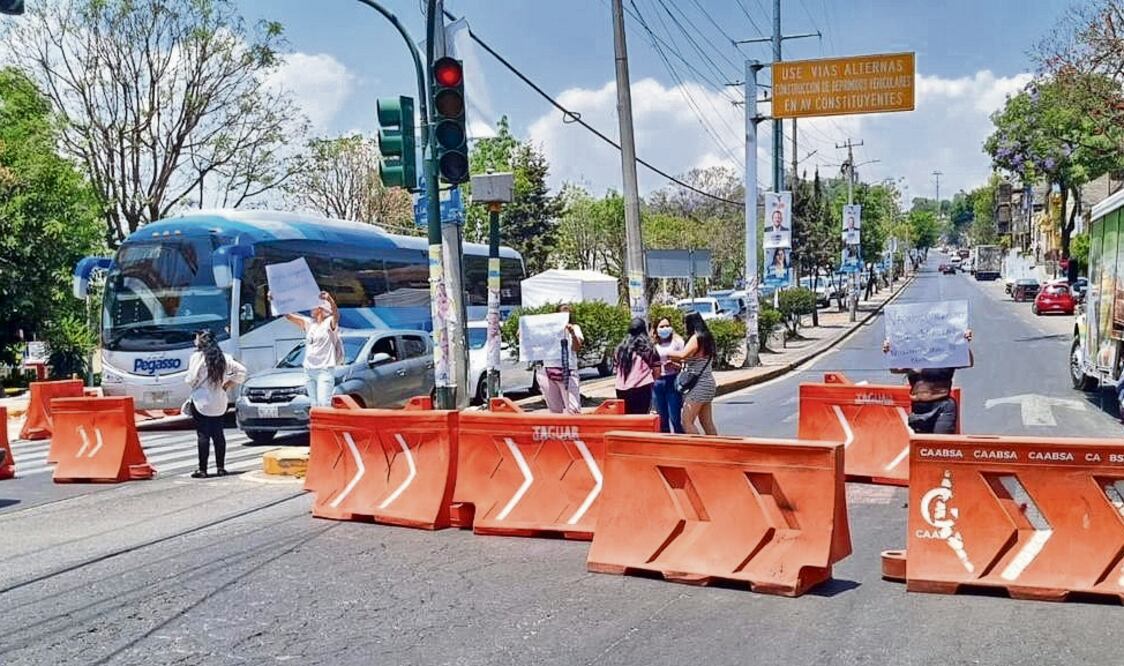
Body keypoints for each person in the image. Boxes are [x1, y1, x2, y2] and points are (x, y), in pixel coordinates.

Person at [883, 329, 973, 434]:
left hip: (941, 408)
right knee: (922, 448)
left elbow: (968, 361)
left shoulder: (946, 353)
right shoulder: (913, 354)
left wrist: (964, 343)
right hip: (918, 410)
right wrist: (890, 351)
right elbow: (895, 369)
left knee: (938, 445)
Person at [185, 330, 246, 478]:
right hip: (219, 399)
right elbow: (242, 371)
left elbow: (191, 378)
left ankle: (203, 469)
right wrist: (227, 384)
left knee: (203, 435)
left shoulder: (197, 357)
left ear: (201, 341)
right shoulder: (224, 358)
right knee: (218, 434)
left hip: (201, 400)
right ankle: (221, 467)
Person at [279, 291, 342, 407]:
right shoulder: (309, 323)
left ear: (321, 309)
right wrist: (275, 299)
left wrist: (330, 299)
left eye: (313, 306)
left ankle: (325, 425)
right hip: (309, 370)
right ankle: (316, 425)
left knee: (324, 403)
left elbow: (336, 315)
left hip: (324, 370)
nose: (310, 309)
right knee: (314, 404)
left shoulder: (328, 323)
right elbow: (288, 316)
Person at [668, 312, 717, 435]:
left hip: (699, 385)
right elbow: (695, 362)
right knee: (707, 422)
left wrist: (665, 353)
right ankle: (716, 450)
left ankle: (700, 449)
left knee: (686, 421)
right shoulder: (707, 337)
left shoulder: (696, 338)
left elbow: (683, 355)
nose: (684, 327)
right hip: (707, 383)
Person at [537, 303, 584, 414]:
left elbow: (576, 348)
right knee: (554, 410)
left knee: (573, 408)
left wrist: (572, 333)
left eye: (567, 314)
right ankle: (558, 430)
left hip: (568, 370)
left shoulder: (575, 328)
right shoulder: (548, 329)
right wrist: (524, 334)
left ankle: (575, 429)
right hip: (547, 370)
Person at [613, 318, 661, 415]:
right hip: (641, 388)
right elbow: (657, 371)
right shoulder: (648, 348)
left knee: (626, 418)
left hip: (621, 389)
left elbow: (616, 370)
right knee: (641, 418)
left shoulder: (619, 349)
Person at [652, 317, 685, 433]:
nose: (665, 329)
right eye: (661, 327)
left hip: (673, 381)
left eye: (667, 326)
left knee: (675, 417)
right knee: (662, 419)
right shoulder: (653, 345)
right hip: (657, 383)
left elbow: (684, 365)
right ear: (656, 329)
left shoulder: (678, 343)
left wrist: (674, 365)